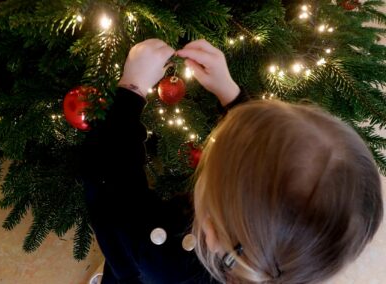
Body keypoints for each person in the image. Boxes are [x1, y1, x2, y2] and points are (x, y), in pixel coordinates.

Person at [80, 38, 383, 284]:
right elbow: (270, 162)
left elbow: (112, 192)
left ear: (210, 230)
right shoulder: (276, 261)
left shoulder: (164, 259)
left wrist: (131, 90)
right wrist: (231, 94)